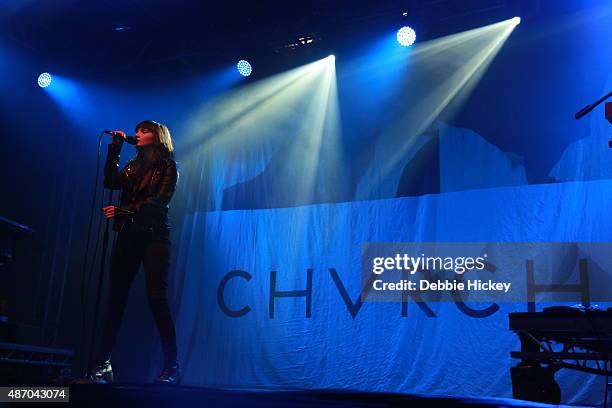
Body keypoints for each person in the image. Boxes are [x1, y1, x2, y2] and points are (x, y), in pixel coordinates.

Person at [85, 120, 180, 384]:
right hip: (128, 235)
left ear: (158, 136)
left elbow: (159, 202)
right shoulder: (133, 165)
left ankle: (172, 366)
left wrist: (123, 211)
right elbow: (110, 182)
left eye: (144, 130)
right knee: (116, 299)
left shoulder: (168, 166)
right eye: (137, 130)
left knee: (156, 299)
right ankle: (103, 364)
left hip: (155, 237)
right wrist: (114, 150)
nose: (137, 134)